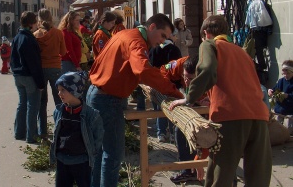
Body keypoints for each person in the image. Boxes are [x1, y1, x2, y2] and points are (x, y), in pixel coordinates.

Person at [169, 15, 272, 187]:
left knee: (220, 176)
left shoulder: (210, 45)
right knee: (258, 178)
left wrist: (189, 98)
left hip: (230, 116)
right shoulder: (241, 51)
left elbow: (208, 70)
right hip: (259, 116)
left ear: (205, 33)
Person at [86, 13, 184, 187]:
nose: (162, 42)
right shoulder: (137, 41)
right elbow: (143, 71)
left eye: (166, 38)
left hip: (96, 93)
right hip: (108, 99)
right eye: (162, 35)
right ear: (152, 27)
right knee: (113, 155)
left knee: (100, 153)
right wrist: (174, 92)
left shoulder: (126, 34)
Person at [50, 71, 103, 187]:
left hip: (81, 162)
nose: (59, 93)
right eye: (58, 90)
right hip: (62, 160)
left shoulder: (91, 115)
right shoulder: (59, 112)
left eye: (63, 90)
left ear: (74, 91)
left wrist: (91, 154)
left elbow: (98, 138)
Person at [11, 11, 45, 144]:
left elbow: (12, 59)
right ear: (31, 24)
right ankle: (32, 136)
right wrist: (41, 83)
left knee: (22, 104)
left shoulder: (17, 37)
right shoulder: (29, 39)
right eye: (36, 22)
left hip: (18, 75)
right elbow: (34, 64)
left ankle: (19, 132)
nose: (37, 25)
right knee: (33, 106)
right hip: (29, 76)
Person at [34, 8, 66, 138]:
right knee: (59, 98)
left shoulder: (36, 35)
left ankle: (42, 131)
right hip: (55, 68)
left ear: (39, 18)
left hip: (41, 68)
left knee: (42, 100)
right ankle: (60, 127)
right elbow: (63, 52)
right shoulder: (58, 33)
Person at [149, 37, 182, 143]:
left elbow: (150, 64)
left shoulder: (154, 49)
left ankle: (161, 133)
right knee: (172, 108)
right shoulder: (175, 49)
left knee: (160, 108)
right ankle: (173, 133)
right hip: (173, 85)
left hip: (157, 83)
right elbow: (178, 67)